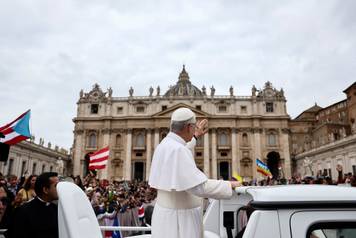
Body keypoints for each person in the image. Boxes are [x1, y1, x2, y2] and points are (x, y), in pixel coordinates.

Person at [149, 107, 241, 238]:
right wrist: (229, 185)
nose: (194, 130)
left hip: (164, 216)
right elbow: (198, 187)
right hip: (180, 221)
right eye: (193, 127)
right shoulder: (178, 150)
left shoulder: (165, 144)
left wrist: (195, 137)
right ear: (188, 127)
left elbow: (181, 149)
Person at [8, 172, 59, 238]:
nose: (59, 189)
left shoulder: (56, 209)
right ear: (45, 190)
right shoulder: (23, 211)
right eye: (56, 186)